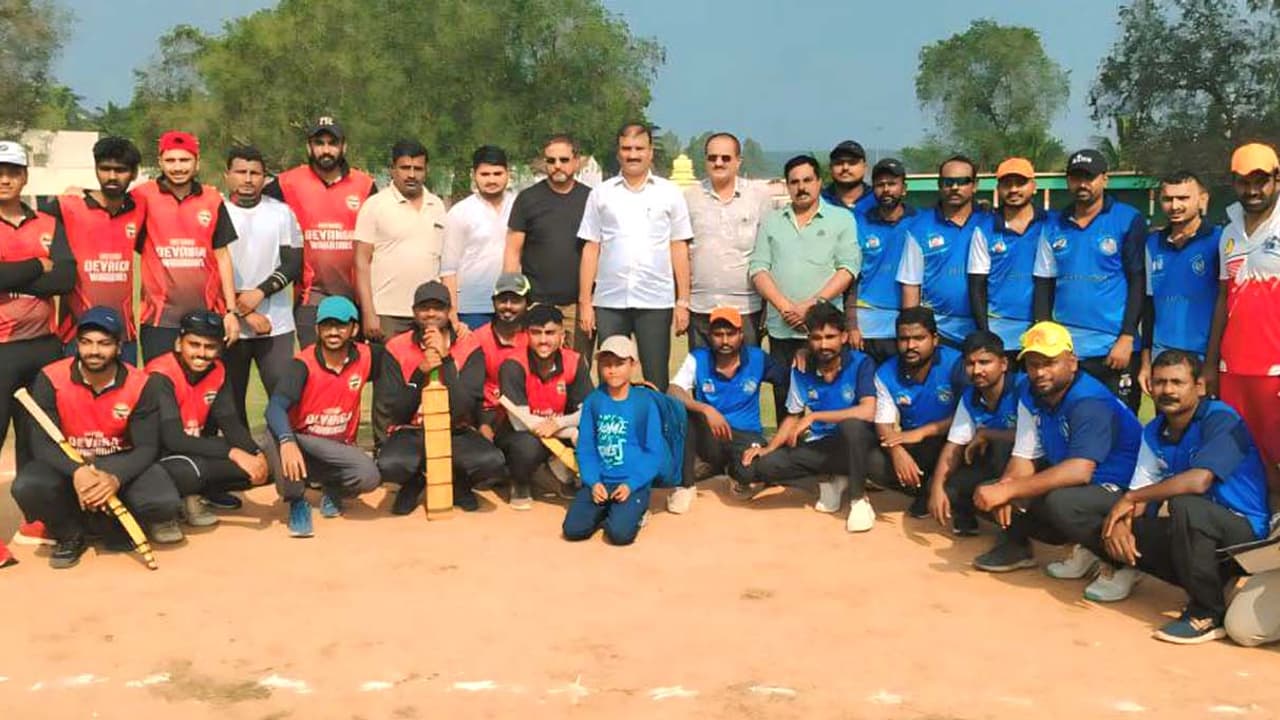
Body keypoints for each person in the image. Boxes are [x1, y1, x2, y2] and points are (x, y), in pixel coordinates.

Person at [1098, 350, 1270, 644]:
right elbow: (1140, 492)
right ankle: (1211, 583)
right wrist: (1122, 525)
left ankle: (1207, 613)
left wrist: (1131, 498)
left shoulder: (1221, 419)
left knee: (1186, 505)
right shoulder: (1154, 430)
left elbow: (1199, 481)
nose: (1167, 390)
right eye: (1160, 382)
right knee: (1106, 523)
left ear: (1199, 387)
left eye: (1177, 382)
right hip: (1200, 531)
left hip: (1244, 533)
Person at [971, 322, 1143, 586]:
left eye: (1050, 363)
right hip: (1084, 483)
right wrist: (1006, 489)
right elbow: (1024, 456)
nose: (1040, 372)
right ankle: (1085, 548)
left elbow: (1080, 470)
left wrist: (1009, 491)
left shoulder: (1089, 401)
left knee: (1061, 503)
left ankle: (1122, 565)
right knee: (988, 492)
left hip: (1124, 488)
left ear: (1072, 363)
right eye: (1033, 364)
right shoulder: (1031, 393)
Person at [10, 307, 181, 568]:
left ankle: (105, 524)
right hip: (69, 464)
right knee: (28, 486)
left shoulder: (141, 383)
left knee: (163, 502)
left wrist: (114, 478)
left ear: (119, 347)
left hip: (118, 460)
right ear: (77, 344)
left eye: (104, 343)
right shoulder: (51, 377)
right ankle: (70, 534)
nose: (94, 351)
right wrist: (77, 471)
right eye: (86, 342)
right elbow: (41, 444)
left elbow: (147, 447)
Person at [741, 303, 879, 532]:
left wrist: (815, 416)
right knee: (764, 467)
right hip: (822, 447)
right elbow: (793, 416)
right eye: (816, 338)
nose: (823, 345)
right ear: (808, 340)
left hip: (857, 444)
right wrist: (769, 448)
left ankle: (858, 499)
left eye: (830, 337)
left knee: (852, 427)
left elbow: (868, 411)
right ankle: (831, 481)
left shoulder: (861, 363)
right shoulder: (801, 368)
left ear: (844, 337)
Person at [577, 122, 693, 391]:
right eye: (626, 149)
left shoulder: (669, 193)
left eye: (639, 149)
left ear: (650, 152)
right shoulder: (601, 193)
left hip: (655, 299)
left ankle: (654, 421)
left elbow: (678, 246)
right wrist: (585, 302)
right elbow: (591, 247)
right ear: (618, 152)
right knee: (611, 375)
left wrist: (683, 301)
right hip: (609, 299)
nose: (632, 155)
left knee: (655, 379)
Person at [376, 281, 504, 515]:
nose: (431, 314)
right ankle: (414, 481)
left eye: (438, 308)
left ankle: (458, 481)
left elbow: (465, 407)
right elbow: (396, 412)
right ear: (414, 312)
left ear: (449, 311)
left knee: (491, 462)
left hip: (455, 429)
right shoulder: (396, 347)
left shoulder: (468, 345)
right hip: (412, 430)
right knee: (389, 465)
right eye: (424, 308)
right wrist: (419, 374)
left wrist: (446, 361)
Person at [1034, 149, 1147, 411]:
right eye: (1076, 178)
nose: (1082, 184)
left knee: (1120, 424)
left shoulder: (1127, 219)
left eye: (1089, 177)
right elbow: (1044, 284)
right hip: (1069, 351)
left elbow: (1138, 282)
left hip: (1113, 348)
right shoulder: (1053, 225)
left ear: (1104, 179)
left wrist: (1127, 337)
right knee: (1071, 420)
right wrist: (1048, 341)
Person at [262, 296, 382, 537]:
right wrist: (287, 441)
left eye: (341, 325)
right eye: (327, 325)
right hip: (303, 441)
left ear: (354, 329)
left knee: (368, 476)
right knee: (274, 434)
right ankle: (297, 501)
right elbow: (274, 407)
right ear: (317, 329)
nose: (333, 332)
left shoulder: (369, 356)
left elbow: (402, 360)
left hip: (339, 446)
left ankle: (333, 488)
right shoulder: (302, 364)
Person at [750, 154, 859, 416]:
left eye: (808, 180)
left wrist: (811, 307)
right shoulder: (772, 221)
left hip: (825, 330)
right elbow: (758, 268)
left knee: (832, 400)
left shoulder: (841, 219)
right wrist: (786, 308)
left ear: (819, 182)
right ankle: (788, 443)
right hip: (783, 328)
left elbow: (848, 269)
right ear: (787, 185)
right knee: (786, 402)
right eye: (795, 182)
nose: (801, 187)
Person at [146, 310, 269, 526]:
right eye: (194, 345)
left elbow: (231, 423)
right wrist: (233, 453)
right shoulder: (159, 376)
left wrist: (257, 455)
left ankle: (201, 493)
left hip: (192, 449)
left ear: (220, 348)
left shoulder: (217, 371)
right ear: (179, 344)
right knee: (193, 471)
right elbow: (173, 440)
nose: (202, 353)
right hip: (158, 457)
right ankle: (171, 507)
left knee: (267, 467)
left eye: (210, 347)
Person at [264, 116, 377, 347]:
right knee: (313, 362)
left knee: (350, 364)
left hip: (354, 295)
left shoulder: (364, 185)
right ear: (309, 147)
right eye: (319, 143)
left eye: (332, 143)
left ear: (343, 146)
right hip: (310, 295)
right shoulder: (288, 183)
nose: (326, 150)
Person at [1207, 142, 1280, 492]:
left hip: (1275, 368)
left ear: (1276, 179)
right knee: (1243, 454)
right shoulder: (1229, 233)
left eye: (1260, 181)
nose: (1252, 190)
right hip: (1233, 368)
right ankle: (1255, 518)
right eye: (1243, 181)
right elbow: (1224, 298)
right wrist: (1211, 365)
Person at [0, 140, 75, 471]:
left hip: (43, 345)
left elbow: (65, 279)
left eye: (13, 173)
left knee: (38, 435)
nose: (5, 179)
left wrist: (9, 275)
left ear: (25, 177)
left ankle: (31, 503)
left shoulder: (48, 223)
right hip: (2, 347)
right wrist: (36, 265)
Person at [133, 130, 239, 361]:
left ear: (197, 162)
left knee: (206, 381)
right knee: (159, 380)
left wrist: (231, 311)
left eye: (184, 160)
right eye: (170, 160)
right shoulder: (142, 196)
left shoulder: (211, 198)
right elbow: (111, 211)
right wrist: (82, 192)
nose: (178, 167)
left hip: (207, 315)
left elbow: (222, 256)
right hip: (159, 319)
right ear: (160, 162)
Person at [669, 305, 786, 513]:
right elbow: (673, 390)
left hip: (746, 434)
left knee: (750, 473)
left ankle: (731, 470)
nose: (724, 341)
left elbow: (788, 378)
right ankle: (685, 487)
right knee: (685, 413)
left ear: (741, 335)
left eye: (730, 334)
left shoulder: (757, 358)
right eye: (718, 334)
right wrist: (706, 409)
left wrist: (804, 354)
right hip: (711, 433)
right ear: (710, 336)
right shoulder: (698, 358)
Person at [222, 145, 302, 432]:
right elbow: (210, 270)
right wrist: (243, 311)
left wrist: (260, 292)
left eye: (254, 173)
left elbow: (293, 263)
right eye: (240, 172)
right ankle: (245, 456)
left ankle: (284, 451)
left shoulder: (280, 212)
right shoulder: (217, 211)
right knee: (231, 403)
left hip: (275, 324)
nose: (247, 179)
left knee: (283, 399)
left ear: (265, 178)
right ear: (227, 175)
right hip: (230, 324)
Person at [48, 136, 144, 365]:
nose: (112, 176)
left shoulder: (140, 207)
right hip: (77, 335)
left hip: (123, 336)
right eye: (105, 168)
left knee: (127, 389)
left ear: (134, 173)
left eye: (120, 170)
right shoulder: (68, 205)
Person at [563, 335, 663, 545]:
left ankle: (634, 512)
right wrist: (593, 482)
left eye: (619, 364)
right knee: (573, 530)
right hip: (601, 481)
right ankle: (609, 511)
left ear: (633, 365)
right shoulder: (594, 401)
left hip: (631, 483)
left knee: (620, 535)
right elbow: (586, 448)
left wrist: (631, 484)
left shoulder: (644, 402)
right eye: (606, 364)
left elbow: (654, 452)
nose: (612, 370)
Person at [871, 307, 966, 519]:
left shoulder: (957, 364)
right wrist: (897, 451)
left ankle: (941, 493)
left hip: (953, 441)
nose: (910, 346)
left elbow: (969, 417)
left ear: (935, 339)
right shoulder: (885, 372)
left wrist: (923, 432)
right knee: (873, 462)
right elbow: (883, 422)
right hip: (914, 445)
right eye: (904, 339)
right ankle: (922, 488)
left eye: (919, 338)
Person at [683, 132, 774, 349]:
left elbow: (769, 250)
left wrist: (768, 304)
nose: (718, 163)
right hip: (701, 306)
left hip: (746, 307)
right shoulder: (690, 197)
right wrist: (682, 302)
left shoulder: (759, 197)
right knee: (702, 369)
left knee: (747, 369)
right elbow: (681, 251)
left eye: (725, 158)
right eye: (712, 158)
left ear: (738, 161)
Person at [496, 304, 592, 509]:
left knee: (595, 430)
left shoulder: (574, 361)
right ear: (526, 335)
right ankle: (520, 482)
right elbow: (520, 423)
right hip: (520, 433)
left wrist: (560, 423)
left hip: (557, 426)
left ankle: (564, 474)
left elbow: (588, 410)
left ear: (562, 335)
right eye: (536, 333)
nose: (543, 340)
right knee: (527, 447)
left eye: (550, 333)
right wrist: (569, 432)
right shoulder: (513, 364)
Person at [504, 134, 593, 353]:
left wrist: (587, 302)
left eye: (564, 160)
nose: (557, 166)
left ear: (576, 161)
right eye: (551, 161)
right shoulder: (527, 199)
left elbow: (597, 250)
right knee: (537, 367)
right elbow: (513, 252)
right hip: (537, 303)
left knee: (577, 366)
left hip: (577, 306)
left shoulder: (591, 199)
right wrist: (512, 299)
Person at [927, 331, 1021, 536]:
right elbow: (954, 445)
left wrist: (988, 434)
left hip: (1027, 470)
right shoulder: (970, 397)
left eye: (985, 362)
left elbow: (1037, 440)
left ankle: (1016, 537)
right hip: (994, 468)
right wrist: (936, 488)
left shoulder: (1022, 389)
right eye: (970, 364)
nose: (977, 370)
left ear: (1004, 364)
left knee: (1002, 446)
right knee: (945, 485)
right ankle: (967, 516)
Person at [354, 140, 447, 342]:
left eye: (418, 169)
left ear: (426, 171)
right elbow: (361, 262)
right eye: (405, 168)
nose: (411, 175)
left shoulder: (437, 205)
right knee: (388, 363)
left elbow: (444, 262)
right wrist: (368, 312)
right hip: (387, 313)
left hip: (428, 312)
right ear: (392, 170)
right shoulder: (375, 205)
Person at [1138, 171, 1219, 396]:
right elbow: (1148, 309)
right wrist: (1146, 363)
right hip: (1163, 359)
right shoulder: (1151, 244)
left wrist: (1212, 363)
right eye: (1168, 199)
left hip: (1203, 359)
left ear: (1202, 199)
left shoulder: (1219, 241)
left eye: (1183, 198)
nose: (1175, 206)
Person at [898, 155, 989, 347]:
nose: (955, 187)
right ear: (939, 185)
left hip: (985, 328)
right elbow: (911, 285)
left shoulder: (989, 222)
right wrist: (914, 335)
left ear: (975, 185)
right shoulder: (919, 228)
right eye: (948, 182)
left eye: (962, 181)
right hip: (939, 332)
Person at [969, 157, 1051, 354]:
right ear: (998, 188)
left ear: (1034, 186)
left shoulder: (1052, 224)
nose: (1013, 189)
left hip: (1044, 332)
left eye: (1020, 183)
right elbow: (977, 286)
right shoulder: (984, 229)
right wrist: (985, 333)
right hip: (999, 332)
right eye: (1007, 184)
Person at [848, 157, 915, 363]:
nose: (886, 190)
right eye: (879, 185)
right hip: (865, 329)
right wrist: (851, 326)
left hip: (904, 328)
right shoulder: (858, 223)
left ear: (904, 189)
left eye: (892, 184)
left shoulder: (919, 222)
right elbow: (851, 278)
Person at [442, 145, 516, 330]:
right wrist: (452, 312)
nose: (491, 180)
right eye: (485, 174)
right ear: (473, 174)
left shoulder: (519, 206)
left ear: (508, 173)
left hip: (513, 304)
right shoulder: (460, 212)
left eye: (497, 173)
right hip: (472, 307)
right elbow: (448, 269)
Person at [464, 272, 532, 436]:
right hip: (488, 413)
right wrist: (482, 423)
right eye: (502, 300)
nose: (508, 306)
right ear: (493, 302)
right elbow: (470, 389)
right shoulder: (477, 338)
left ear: (527, 303)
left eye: (515, 301)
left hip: (525, 412)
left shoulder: (536, 337)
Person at [821, 140, 876, 215]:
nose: (845, 168)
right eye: (839, 163)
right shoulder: (819, 200)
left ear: (865, 167)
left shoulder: (877, 199)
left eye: (852, 163)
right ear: (830, 167)